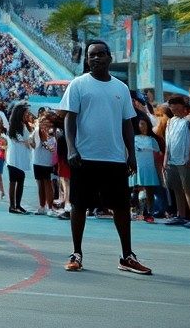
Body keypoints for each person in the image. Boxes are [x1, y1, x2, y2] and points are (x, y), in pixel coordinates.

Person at [58, 40, 151, 275]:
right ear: (87, 60)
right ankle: (76, 253)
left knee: (121, 207)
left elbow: (127, 123)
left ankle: (127, 256)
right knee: (79, 204)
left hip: (114, 158)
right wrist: (71, 148)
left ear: (110, 58)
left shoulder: (120, 88)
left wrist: (130, 154)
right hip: (84, 156)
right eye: (92, 56)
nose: (96, 58)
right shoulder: (78, 85)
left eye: (101, 54)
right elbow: (69, 119)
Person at [163, 95, 190, 227]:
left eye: (176, 107)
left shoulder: (189, 120)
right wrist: (165, 160)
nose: (174, 110)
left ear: (182, 106)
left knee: (188, 190)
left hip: (185, 160)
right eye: (172, 108)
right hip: (172, 160)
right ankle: (181, 215)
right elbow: (168, 141)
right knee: (177, 189)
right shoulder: (170, 121)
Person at [5, 103, 33, 214]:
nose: (27, 115)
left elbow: (28, 141)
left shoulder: (24, 125)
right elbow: (24, 141)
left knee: (20, 180)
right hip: (13, 159)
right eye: (26, 113)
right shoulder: (14, 127)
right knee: (13, 181)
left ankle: (18, 205)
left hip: (21, 158)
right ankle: (12, 206)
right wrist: (29, 142)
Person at [132, 118, 161, 221]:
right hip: (137, 167)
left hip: (149, 168)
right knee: (135, 189)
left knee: (149, 190)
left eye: (146, 124)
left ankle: (150, 212)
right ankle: (136, 211)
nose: (144, 126)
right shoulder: (133, 138)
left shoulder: (152, 140)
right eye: (141, 124)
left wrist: (160, 171)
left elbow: (157, 155)